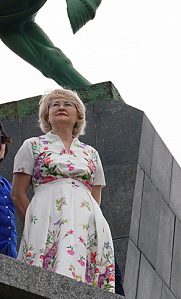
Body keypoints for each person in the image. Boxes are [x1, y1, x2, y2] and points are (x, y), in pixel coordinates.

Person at [12, 89, 115, 291]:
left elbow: (95, 198)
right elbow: (17, 193)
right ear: (46, 115)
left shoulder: (91, 153)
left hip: (86, 223)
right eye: (54, 104)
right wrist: (34, 224)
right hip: (45, 215)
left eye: (68, 104)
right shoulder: (33, 145)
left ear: (79, 115)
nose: (61, 107)